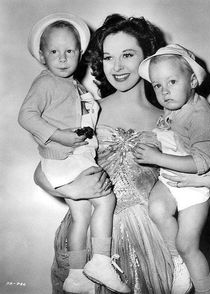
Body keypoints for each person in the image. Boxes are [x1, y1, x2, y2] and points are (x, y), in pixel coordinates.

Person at [33, 14, 210, 294]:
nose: (117, 66)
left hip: (153, 242)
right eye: (108, 57)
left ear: (148, 59)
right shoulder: (85, 109)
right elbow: (43, 170)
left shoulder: (175, 117)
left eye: (128, 54)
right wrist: (71, 188)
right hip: (90, 241)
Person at [18, 13, 130, 294]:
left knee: (81, 215)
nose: (63, 57)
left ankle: (77, 274)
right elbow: (26, 117)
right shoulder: (46, 82)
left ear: (80, 54)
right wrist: (60, 136)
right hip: (66, 159)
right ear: (42, 56)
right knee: (105, 200)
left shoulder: (75, 87)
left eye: (70, 51)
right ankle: (101, 261)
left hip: (71, 158)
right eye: (54, 51)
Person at [136, 44, 210, 294]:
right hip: (171, 180)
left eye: (172, 81)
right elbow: (171, 137)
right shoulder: (174, 105)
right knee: (157, 208)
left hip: (196, 187)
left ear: (193, 80)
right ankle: (178, 264)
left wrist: (157, 157)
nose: (164, 91)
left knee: (188, 245)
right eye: (157, 85)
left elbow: (201, 163)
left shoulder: (201, 114)